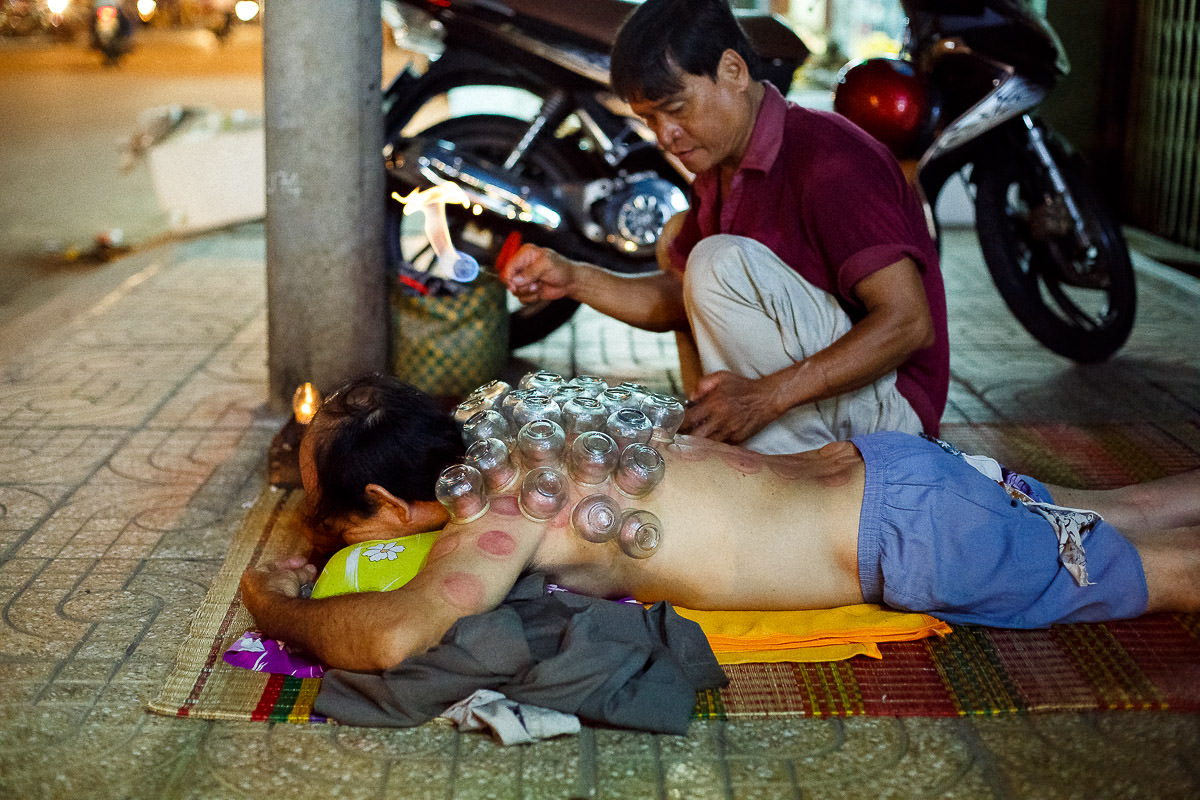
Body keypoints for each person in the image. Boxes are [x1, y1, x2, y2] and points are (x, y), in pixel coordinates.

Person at [240, 374, 1200, 673]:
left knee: (1168, 572)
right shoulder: (520, 415)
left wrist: (278, 610)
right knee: (1125, 512)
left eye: (333, 523)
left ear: (382, 510)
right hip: (895, 470)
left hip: (907, 533)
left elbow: (401, 632)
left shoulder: (500, 504)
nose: (327, 542)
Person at [503, 0, 949, 455]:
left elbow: (909, 323)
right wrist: (575, 278)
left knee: (714, 260)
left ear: (733, 71)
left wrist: (765, 398)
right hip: (830, 401)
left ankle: (779, 465)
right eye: (651, 119)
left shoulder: (830, 160)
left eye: (676, 109)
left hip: (891, 416)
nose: (666, 136)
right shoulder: (719, 171)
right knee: (683, 244)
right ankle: (751, 448)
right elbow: (683, 300)